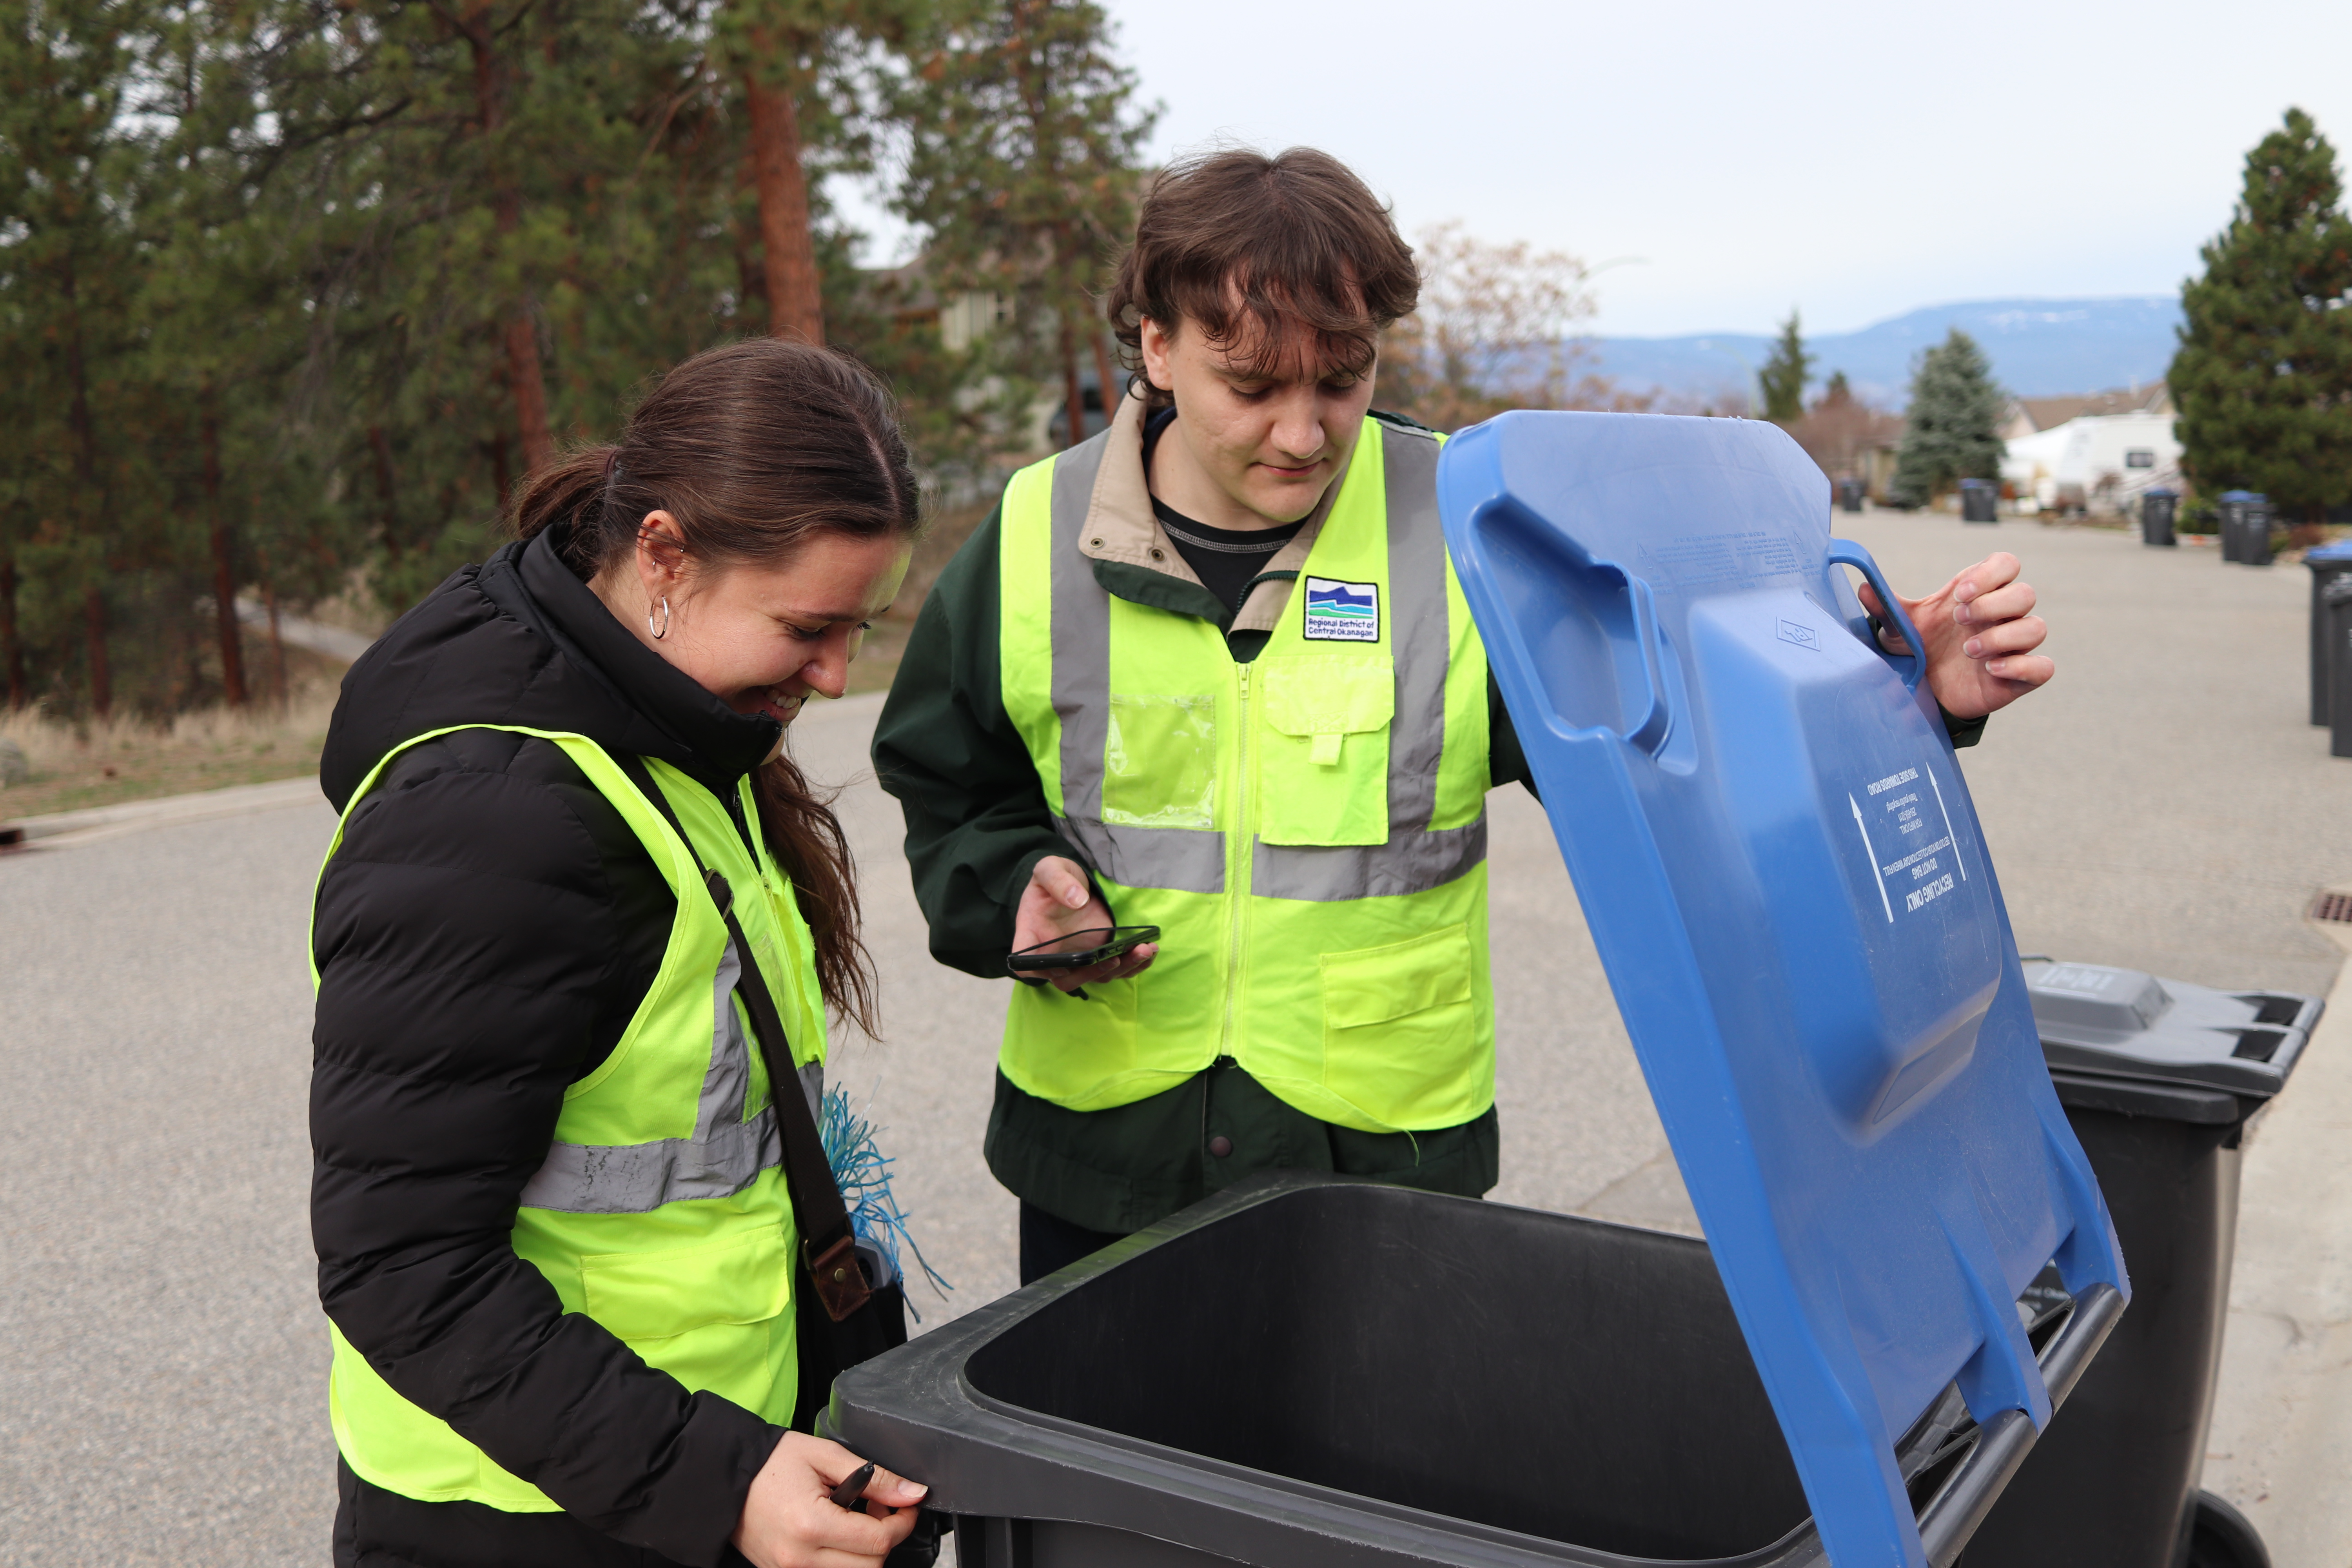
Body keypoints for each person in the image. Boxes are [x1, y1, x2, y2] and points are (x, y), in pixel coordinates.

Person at [872, 147, 2054, 1287]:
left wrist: (1904, 694)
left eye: (1341, 382)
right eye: (1253, 386)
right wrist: (1007, 881)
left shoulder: (1464, 532)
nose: (1303, 433)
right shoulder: (1030, 532)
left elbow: (1686, 750)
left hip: (1382, 1163)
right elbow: (949, 780)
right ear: (1157, 346)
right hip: (1103, 1163)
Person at [310, 339, 929, 1568]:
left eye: (860, 627)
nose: (837, 674)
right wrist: (716, 1482)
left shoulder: (669, 719)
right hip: (535, 1514)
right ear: (662, 554)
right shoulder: (496, 818)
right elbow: (403, 1267)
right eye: (808, 627)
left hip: (690, 1455)